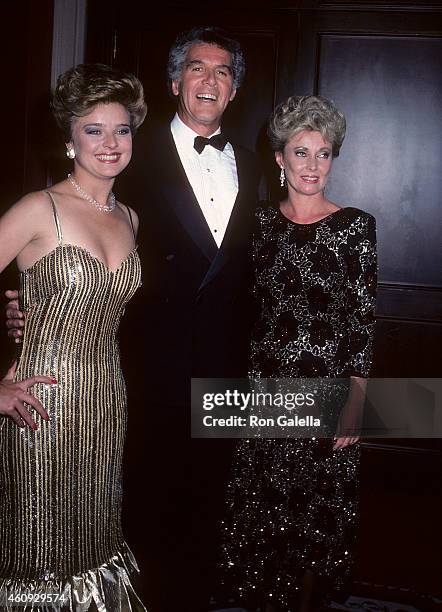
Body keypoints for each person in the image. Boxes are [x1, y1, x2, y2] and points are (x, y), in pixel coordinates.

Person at [5, 26, 261, 611]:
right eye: (198, 67)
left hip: (215, 383)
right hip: (139, 386)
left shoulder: (255, 169)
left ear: (234, 89)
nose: (210, 79)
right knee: (125, 528)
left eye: (223, 71)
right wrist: (21, 312)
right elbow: (48, 264)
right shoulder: (128, 164)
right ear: (175, 82)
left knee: (202, 523)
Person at [219, 95, 377, 611]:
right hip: (265, 392)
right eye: (301, 152)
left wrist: (357, 396)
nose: (313, 165)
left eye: (324, 153)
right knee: (265, 519)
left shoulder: (356, 227)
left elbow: (362, 321)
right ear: (280, 158)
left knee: (313, 524)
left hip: (327, 396)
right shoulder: (259, 223)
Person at [0, 63, 148, 610]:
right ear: (68, 139)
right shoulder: (41, 209)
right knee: (42, 551)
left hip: (107, 403)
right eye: (93, 129)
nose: (110, 143)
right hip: (43, 408)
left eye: (122, 129)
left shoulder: (130, 218)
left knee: (93, 540)